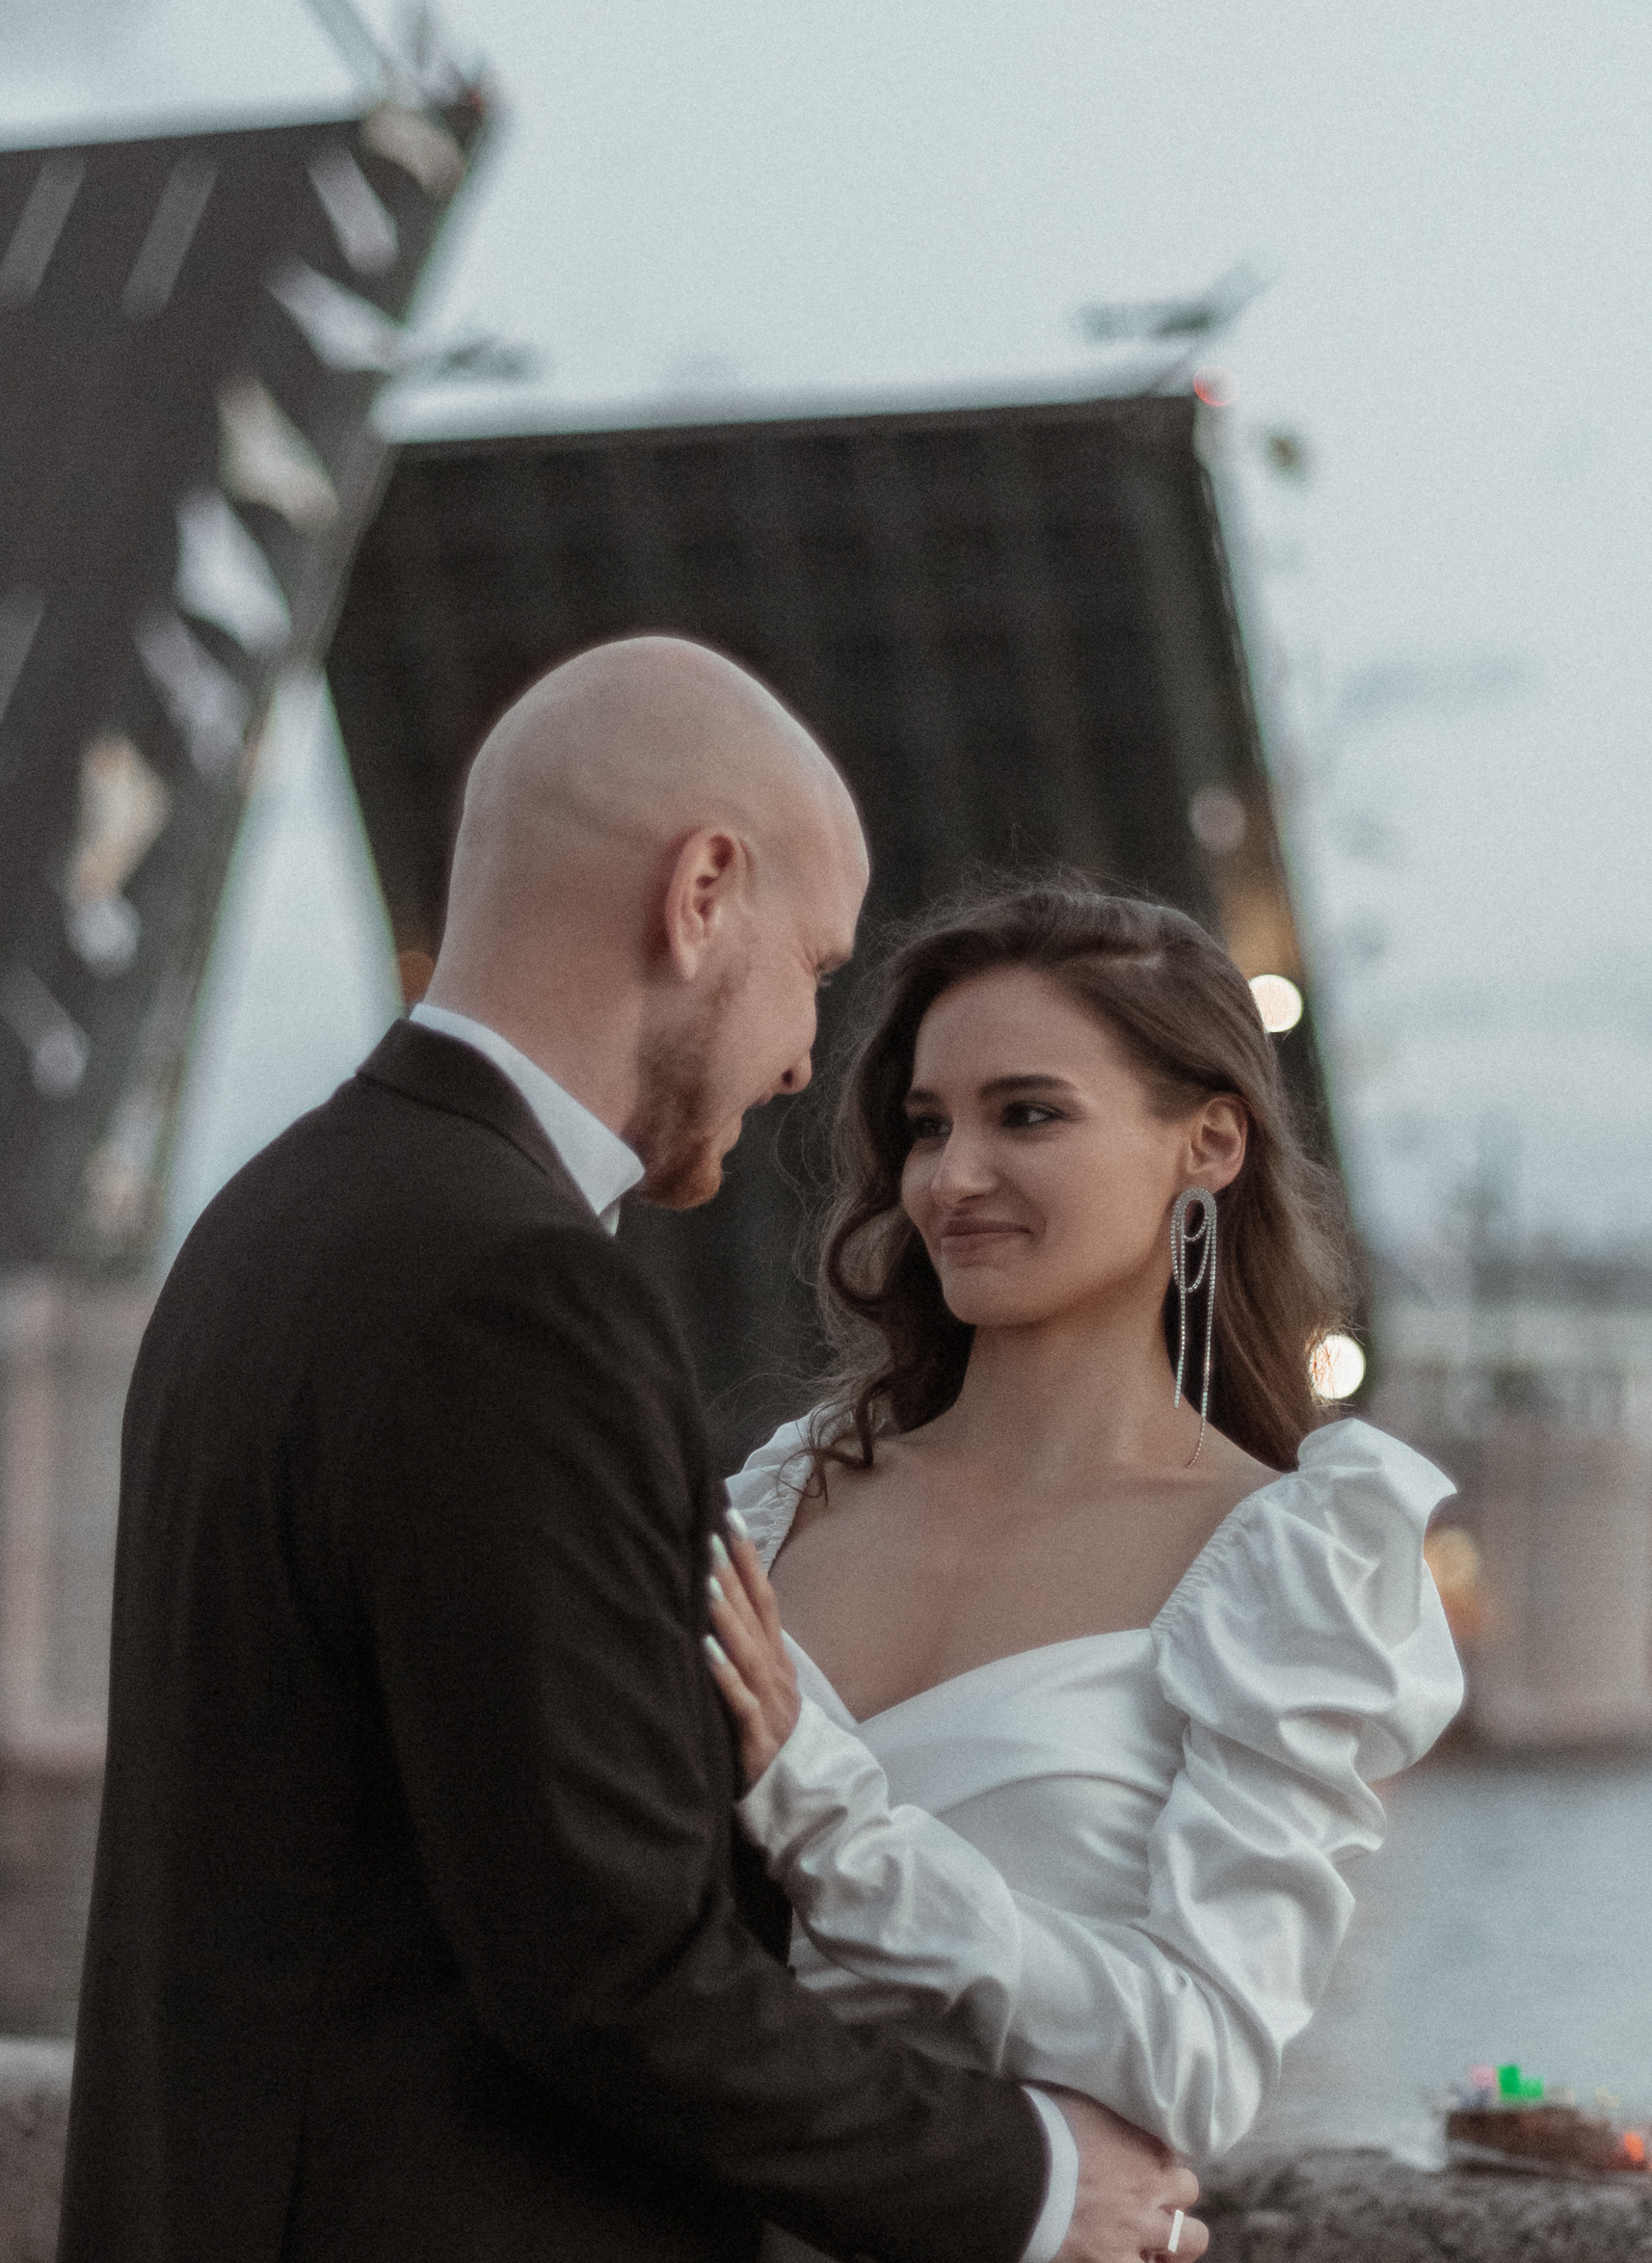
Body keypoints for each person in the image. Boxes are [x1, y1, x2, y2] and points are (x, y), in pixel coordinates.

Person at [60, 638, 1199, 2263]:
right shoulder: (514, 1296)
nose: (809, 1056)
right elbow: (606, 1961)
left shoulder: (270, 1222)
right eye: (812, 966)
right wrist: (1027, 2180)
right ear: (702, 896)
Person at [701, 878, 1465, 2177]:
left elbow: (1200, 2061)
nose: (952, 1175)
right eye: (928, 1124)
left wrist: (824, 1814)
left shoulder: (1288, 1570)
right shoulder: (780, 1498)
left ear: (1209, 1144)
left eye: (1029, 1114)